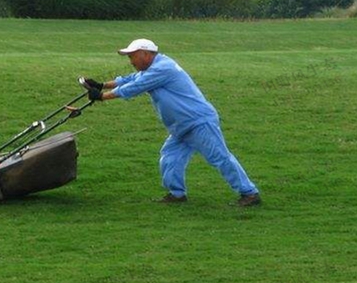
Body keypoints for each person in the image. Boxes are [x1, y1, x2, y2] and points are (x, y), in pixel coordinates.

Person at [79, 38, 262, 206]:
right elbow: (130, 79)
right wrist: (101, 85)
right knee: (170, 157)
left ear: (146, 53)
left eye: (133, 56)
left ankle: (249, 193)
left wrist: (102, 97)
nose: (131, 61)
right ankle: (176, 194)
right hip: (181, 126)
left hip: (198, 121)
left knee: (220, 157)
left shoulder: (163, 68)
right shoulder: (153, 68)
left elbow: (135, 87)